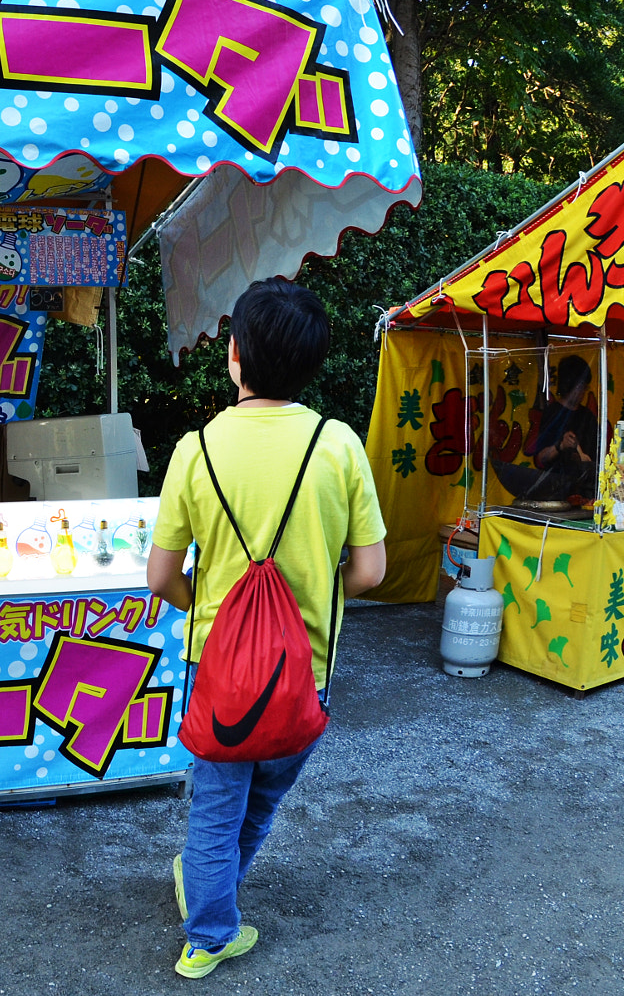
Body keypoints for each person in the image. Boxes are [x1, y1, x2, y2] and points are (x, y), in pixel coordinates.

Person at [145, 278, 387, 980]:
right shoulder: (337, 445)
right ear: (311, 365)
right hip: (305, 670)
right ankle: (209, 892)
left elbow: (159, 577)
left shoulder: (196, 448)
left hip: (217, 667)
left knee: (218, 803)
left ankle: (209, 930)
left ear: (234, 355)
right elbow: (369, 571)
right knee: (262, 798)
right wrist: (316, 592)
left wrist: (204, 604)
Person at [491, 355, 600, 502]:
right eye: (580, 386)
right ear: (568, 384)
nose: (583, 391)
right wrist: (560, 446)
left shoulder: (588, 417)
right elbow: (542, 456)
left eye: (584, 387)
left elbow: (595, 458)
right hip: (555, 491)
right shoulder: (552, 413)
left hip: (586, 492)